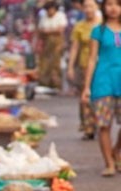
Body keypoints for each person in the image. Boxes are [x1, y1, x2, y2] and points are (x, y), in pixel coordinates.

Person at [82, 0, 121, 176]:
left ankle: (116, 151)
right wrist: (86, 87)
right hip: (103, 81)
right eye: (110, 4)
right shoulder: (99, 31)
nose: (113, 8)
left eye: (118, 4)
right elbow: (92, 59)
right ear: (104, 8)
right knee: (104, 125)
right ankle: (109, 163)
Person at [68, 0, 102, 140]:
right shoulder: (79, 27)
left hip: (102, 66)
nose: (88, 9)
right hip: (84, 65)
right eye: (85, 6)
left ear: (97, 7)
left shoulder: (104, 25)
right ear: (82, 8)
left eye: (91, 6)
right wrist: (70, 66)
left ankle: (100, 124)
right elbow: (75, 48)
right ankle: (88, 127)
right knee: (85, 96)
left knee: (100, 97)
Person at [36, 1, 68, 90]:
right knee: (45, 63)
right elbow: (41, 30)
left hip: (57, 43)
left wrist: (48, 31)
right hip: (46, 43)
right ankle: (45, 84)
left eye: (51, 9)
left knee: (55, 63)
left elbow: (60, 30)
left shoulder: (60, 16)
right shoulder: (44, 17)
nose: (50, 12)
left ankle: (56, 84)